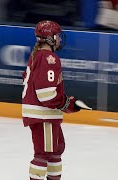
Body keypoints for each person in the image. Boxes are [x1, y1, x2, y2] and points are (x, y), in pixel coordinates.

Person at [22, 20, 83, 180]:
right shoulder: (49, 58)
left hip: (46, 115)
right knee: (43, 154)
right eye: (57, 36)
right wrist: (66, 103)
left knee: (56, 150)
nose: (60, 40)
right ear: (50, 38)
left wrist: (63, 102)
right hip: (44, 116)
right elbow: (46, 94)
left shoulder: (37, 55)